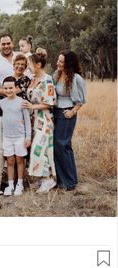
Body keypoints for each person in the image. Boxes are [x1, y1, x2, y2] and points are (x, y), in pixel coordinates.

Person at [22, 50, 57, 193]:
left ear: (38, 64)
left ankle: (49, 179)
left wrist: (32, 106)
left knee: (41, 148)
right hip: (32, 119)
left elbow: (50, 103)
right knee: (34, 150)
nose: (27, 66)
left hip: (44, 118)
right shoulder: (33, 78)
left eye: (29, 63)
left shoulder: (47, 80)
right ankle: (41, 177)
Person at [53, 50, 86, 191]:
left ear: (68, 63)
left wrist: (72, 112)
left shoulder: (76, 78)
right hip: (56, 112)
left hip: (67, 114)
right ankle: (64, 180)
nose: (58, 63)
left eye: (61, 61)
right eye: (58, 60)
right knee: (60, 146)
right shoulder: (57, 74)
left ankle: (69, 182)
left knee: (62, 145)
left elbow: (82, 100)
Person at [0, 76, 31, 196]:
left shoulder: (22, 102)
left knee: (19, 159)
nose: (8, 90)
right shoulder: (2, 103)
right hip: (7, 137)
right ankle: (10, 184)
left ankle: (20, 184)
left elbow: (27, 121)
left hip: (19, 137)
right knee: (10, 160)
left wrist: (28, 137)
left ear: (16, 88)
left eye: (11, 88)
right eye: (6, 88)